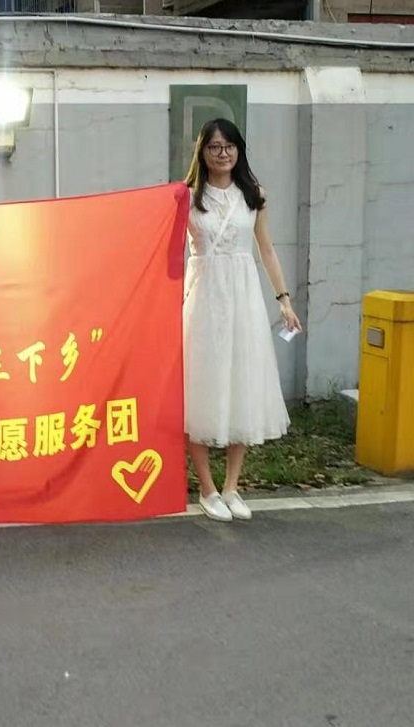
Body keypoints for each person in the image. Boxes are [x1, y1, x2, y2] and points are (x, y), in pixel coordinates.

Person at [183, 118, 302, 523]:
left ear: (239, 150)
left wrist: (283, 300)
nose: (223, 154)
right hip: (202, 298)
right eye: (214, 147)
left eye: (229, 146)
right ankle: (207, 488)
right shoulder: (186, 197)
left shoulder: (253, 194)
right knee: (198, 388)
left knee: (242, 385)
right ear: (202, 152)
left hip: (243, 299)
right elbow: (164, 252)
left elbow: (266, 250)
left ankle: (232, 486)